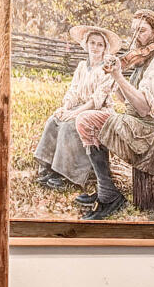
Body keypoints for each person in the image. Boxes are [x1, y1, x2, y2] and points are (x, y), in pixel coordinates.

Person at [69, 11, 154, 219]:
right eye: (133, 31)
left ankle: (109, 196)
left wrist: (119, 76)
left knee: (86, 120)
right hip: (138, 126)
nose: (135, 37)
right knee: (89, 121)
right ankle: (107, 191)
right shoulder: (143, 60)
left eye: (142, 31)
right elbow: (126, 99)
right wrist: (115, 79)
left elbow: (144, 108)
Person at [31, 25, 123, 205]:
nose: (95, 48)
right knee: (54, 121)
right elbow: (73, 90)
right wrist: (65, 108)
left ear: (105, 49)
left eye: (100, 45)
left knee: (69, 126)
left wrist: (74, 113)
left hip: (98, 111)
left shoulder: (107, 70)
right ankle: (49, 166)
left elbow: (97, 100)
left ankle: (65, 174)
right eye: (92, 43)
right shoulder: (82, 66)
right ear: (86, 44)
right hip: (79, 106)